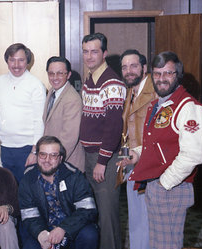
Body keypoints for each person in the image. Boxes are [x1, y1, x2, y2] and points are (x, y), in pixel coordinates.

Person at [121, 51, 202, 249]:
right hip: (156, 186)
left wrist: (164, 183)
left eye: (168, 73)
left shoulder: (189, 107)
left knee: (166, 245)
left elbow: (195, 154)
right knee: (156, 244)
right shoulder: (158, 104)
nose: (161, 79)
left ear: (178, 74)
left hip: (171, 188)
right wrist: (138, 153)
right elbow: (157, 143)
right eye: (157, 74)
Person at [80, 33, 126, 249]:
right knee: (96, 212)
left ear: (104, 53)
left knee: (108, 216)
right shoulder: (90, 79)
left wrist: (102, 161)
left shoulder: (112, 82)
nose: (89, 56)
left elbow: (114, 127)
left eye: (94, 51)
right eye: (86, 51)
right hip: (91, 157)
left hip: (105, 159)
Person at [19, 136, 98, 249]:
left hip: (72, 228)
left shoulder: (74, 176)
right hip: (44, 229)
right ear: (37, 156)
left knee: (89, 235)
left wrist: (64, 229)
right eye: (43, 154)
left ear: (60, 158)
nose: (47, 160)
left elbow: (88, 210)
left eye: (53, 155)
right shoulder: (27, 179)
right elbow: (29, 215)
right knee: (29, 245)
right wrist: (40, 234)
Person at [118, 49, 156, 249]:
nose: (129, 71)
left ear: (144, 67)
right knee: (136, 217)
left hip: (150, 164)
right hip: (132, 163)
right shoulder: (131, 90)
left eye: (133, 66)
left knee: (149, 219)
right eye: (124, 67)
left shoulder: (156, 90)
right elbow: (127, 130)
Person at [0, 43, 46, 183]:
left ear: (28, 61)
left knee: (26, 191)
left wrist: (34, 151)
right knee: (6, 189)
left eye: (21, 60)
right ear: (7, 61)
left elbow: (39, 120)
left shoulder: (36, 85)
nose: (16, 64)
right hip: (3, 147)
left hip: (26, 148)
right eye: (12, 60)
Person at [43, 56, 84, 171]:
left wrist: (52, 161)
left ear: (68, 75)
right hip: (53, 157)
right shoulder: (51, 91)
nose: (55, 78)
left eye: (60, 73)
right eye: (51, 73)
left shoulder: (72, 99)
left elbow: (69, 138)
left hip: (65, 162)